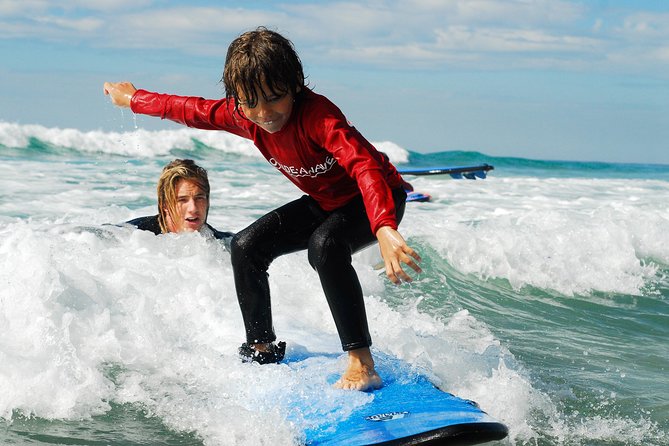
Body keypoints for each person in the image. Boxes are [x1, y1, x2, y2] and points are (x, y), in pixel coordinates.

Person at [103, 26, 422, 391]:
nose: (263, 112)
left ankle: (362, 362)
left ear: (296, 85)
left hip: (375, 199)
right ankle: (261, 348)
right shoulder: (243, 114)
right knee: (246, 247)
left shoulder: (319, 117)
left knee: (325, 246)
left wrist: (382, 225)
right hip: (325, 202)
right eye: (250, 102)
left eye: (274, 98)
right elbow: (190, 109)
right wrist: (134, 99)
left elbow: (363, 165)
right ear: (236, 98)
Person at [127, 158, 234, 245]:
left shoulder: (225, 244)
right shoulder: (134, 235)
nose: (193, 208)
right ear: (165, 204)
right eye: (182, 200)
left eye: (199, 198)